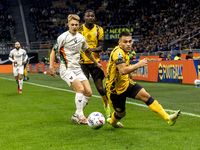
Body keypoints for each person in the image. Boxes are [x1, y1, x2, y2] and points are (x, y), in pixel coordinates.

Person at [105, 31, 180, 128]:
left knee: (146, 96)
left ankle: (168, 118)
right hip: (114, 90)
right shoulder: (118, 53)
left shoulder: (126, 52)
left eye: (130, 41)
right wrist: (138, 65)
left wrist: (130, 73)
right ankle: (112, 122)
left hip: (126, 84)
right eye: (125, 42)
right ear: (119, 43)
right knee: (121, 114)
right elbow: (123, 70)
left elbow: (125, 68)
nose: (128, 44)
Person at [49, 14, 102, 125]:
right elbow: (54, 51)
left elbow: (88, 52)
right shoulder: (63, 37)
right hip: (66, 69)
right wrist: (51, 66)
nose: (74, 27)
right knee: (80, 89)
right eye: (72, 24)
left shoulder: (81, 38)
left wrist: (96, 63)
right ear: (68, 24)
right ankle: (81, 116)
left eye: (76, 25)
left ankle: (76, 115)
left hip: (77, 69)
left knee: (88, 93)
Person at [77, 9, 111, 120]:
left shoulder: (99, 29)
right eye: (88, 16)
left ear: (94, 17)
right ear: (84, 17)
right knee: (83, 89)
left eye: (92, 16)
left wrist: (89, 49)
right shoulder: (80, 29)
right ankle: (79, 113)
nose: (90, 17)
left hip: (96, 63)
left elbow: (101, 48)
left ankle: (107, 107)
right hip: (83, 63)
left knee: (101, 89)